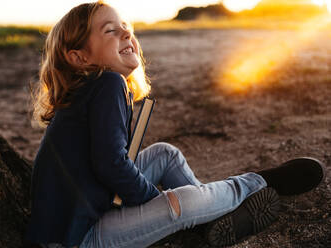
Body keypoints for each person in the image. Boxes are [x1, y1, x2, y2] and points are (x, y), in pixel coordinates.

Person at [24, 1, 325, 248]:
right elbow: (110, 164)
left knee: (164, 155)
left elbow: (104, 162)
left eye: (126, 29)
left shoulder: (91, 91)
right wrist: (159, 203)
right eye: (111, 31)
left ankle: (204, 227)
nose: (126, 35)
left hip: (89, 210)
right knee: (182, 202)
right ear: (80, 57)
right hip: (80, 238)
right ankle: (257, 182)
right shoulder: (108, 84)